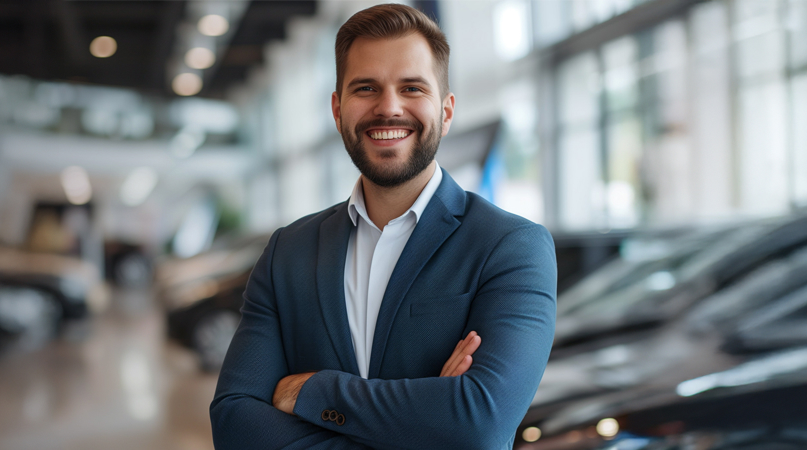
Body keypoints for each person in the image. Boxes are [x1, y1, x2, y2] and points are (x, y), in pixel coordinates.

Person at [208, 4, 558, 449]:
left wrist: (312, 391)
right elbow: (234, 423)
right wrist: (428, 420)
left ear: (447, 112)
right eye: (366, 88)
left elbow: (479, 422)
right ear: (338, 110)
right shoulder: (287, 253)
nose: (388, 108)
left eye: (411, 87)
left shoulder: (510, 247)